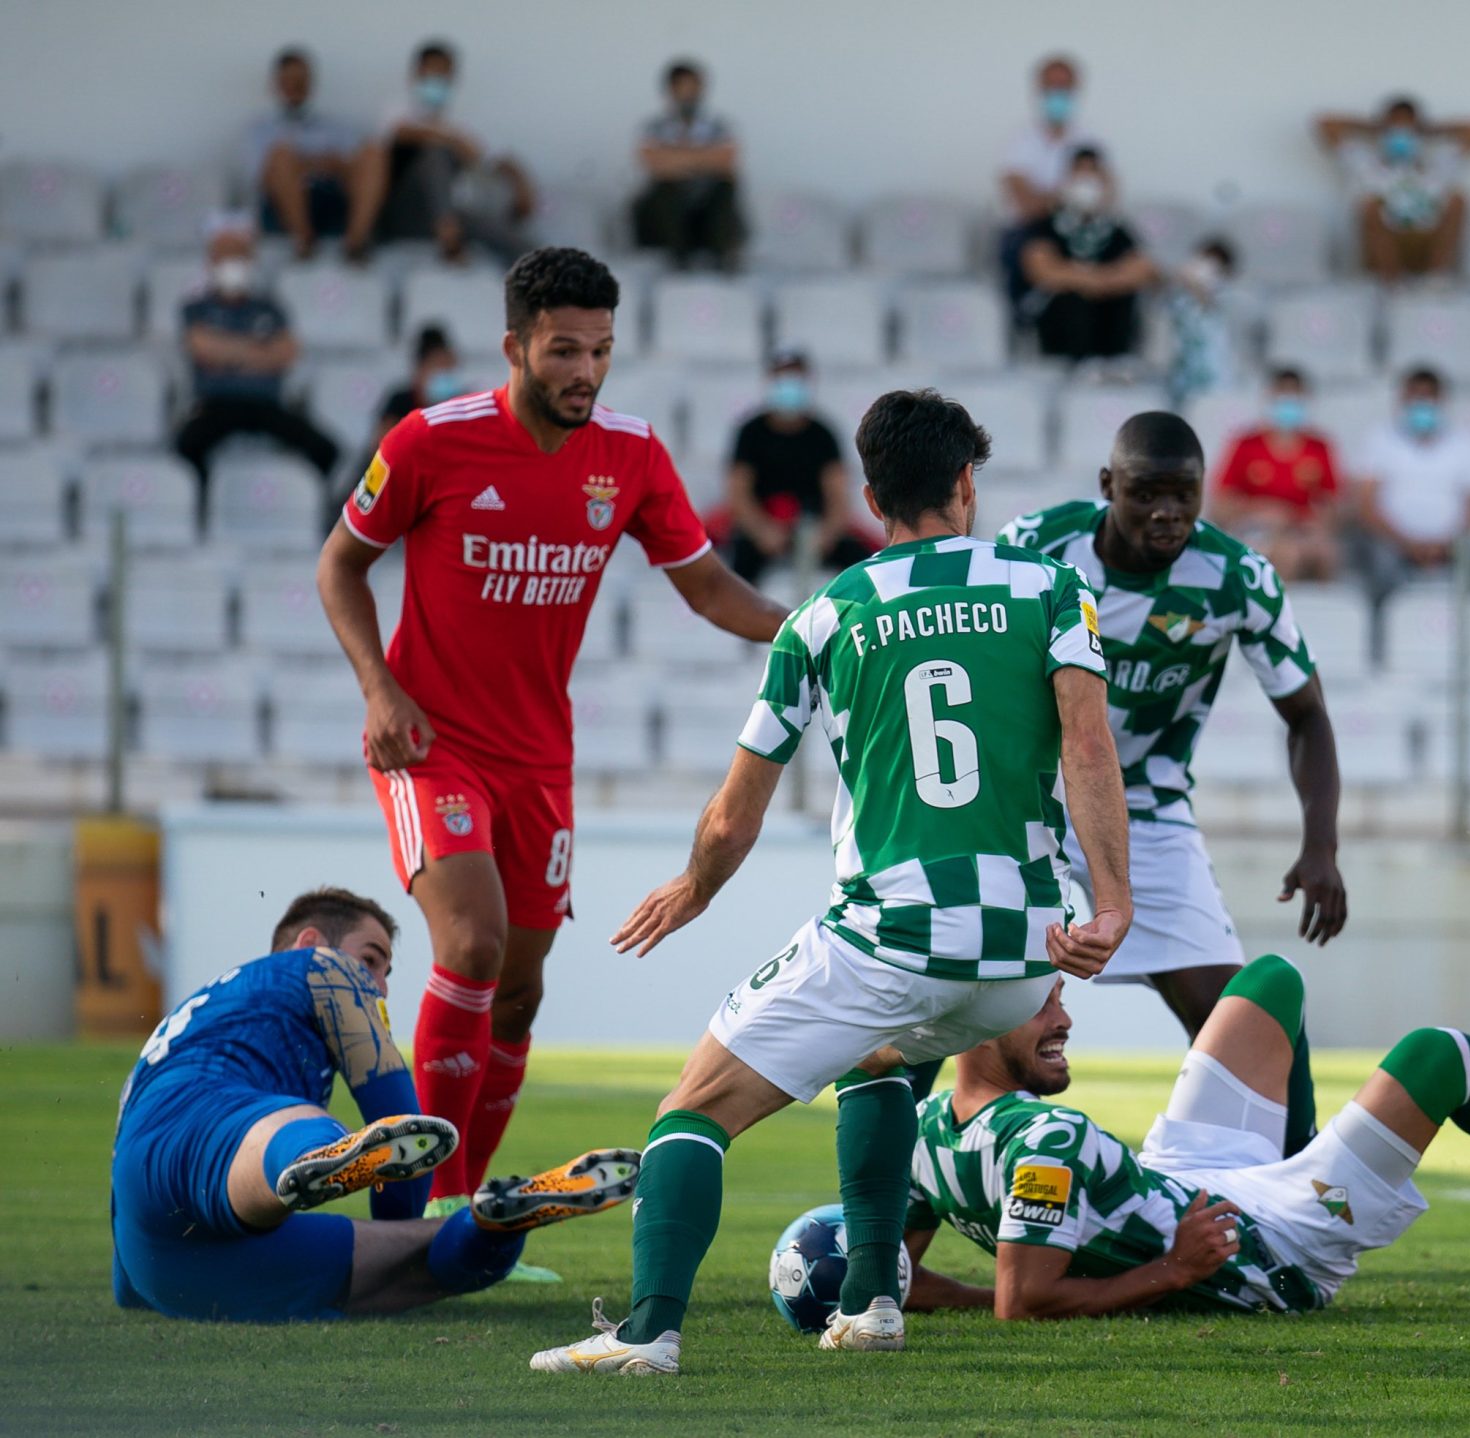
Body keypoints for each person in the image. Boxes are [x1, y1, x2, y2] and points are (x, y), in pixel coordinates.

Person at [530, 388, 1133, 1373]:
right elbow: (1089, 746)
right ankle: (873, 1298)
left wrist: (693, 888)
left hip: (892, 941)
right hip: (1026, 954)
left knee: (692, 1108)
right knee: (881, 1056)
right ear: (966, 484)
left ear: (868, 495)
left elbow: (738, 809)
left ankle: (646, 1333)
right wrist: (1111, 904)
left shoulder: (824, 612)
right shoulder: (1048, 587)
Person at [315, 248, 786, 1252]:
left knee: (519, 996)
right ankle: (419, 1215)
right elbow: (340, 564)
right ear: (515, 347)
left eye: (602, 351)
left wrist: (816, 630)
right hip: (430, 743)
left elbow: (709, 588)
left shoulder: (630, 454)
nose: (585, 370)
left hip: (540, 761)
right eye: (564, 349)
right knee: (473, 947)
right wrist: (379, 687)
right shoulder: (431, 441)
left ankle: (469, 1211)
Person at [900, 956, 1470, 1318]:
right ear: (978, 1023)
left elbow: (906, 1280)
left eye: (1059, 998)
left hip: (1175, 1180)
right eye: (1042, 1005)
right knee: (1439, 1055)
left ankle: (1303, 1158)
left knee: (1269, 983)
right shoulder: (1045, 1134)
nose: (1064, 1019)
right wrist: (1169, 1272)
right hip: (1256, 1240)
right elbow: (1023, 1304)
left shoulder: (921, 1133)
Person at [110, 886, 639, 1323]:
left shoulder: (178, 1020)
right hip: (212, 1131)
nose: (380, 987)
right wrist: (396, 1209)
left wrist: (134, 1280)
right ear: (310, 941)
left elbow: (124, 1283)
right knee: (290, 1129)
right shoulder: (321, 966)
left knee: (428, 1262)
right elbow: (401, 1116)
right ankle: (317, 1155)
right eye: (372, 960)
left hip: (165, 1263)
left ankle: (500, 1220)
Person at [999, 411, 1347, 1055]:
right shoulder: (1034, 547)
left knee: (1246, 1033)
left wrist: (1320, 843)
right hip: (1027, 798)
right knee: (952, 997)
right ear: (1109, 485)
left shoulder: (1237, 577)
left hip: (1144, 811)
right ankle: (915, 1147)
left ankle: (1280, 1157)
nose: (1167, 512)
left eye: (1182, 494)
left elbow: (1308, 715)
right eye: (1146, 493)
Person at [173, 217, 342, 510]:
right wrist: (259, 352)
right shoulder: (196, 307)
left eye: (239, 254)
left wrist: (226, 353)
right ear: (211, 261)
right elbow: (200, 347)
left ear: (251, 259)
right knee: (186, 447)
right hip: (217, 403)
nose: (232, 263)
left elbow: (287, 352)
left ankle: (310, 512)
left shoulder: (270, 308)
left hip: (266, 404)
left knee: (325, 449)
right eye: (225, 255)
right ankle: (205, 512)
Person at [343, 40, 535, 264]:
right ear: (416, 74)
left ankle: (543, 284)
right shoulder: (397, 108)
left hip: (436, 215)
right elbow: (399, 133)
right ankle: (448, 236)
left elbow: (494, 158)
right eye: (432, 71)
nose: (438, 78)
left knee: (508, 237)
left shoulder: (461, 121)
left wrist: (521, 184)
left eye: (444, 72)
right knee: (435, 154)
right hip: (394, 213)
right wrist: (450, 139)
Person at [1346, 368, 1470, 636]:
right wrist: (1406, 543)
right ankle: (1381, 644)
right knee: (1378, 572)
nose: (1421, 405)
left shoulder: (1466, 445)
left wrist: (1446, 544)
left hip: (1450, 545)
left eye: (1428, 397)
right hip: (1393, 544)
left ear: (1441, 401)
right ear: (1402, 401)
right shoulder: (1380, 441)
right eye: (1414, 397)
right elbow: (1366, 506)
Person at [722, 350, 877, 587]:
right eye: (783, 378)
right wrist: (761, 530)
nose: (789, 387)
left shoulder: (822, 434)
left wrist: (827, 533)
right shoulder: (750, 432)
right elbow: (738, 492)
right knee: (738, 573)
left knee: (862, 565)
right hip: (764, 527)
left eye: (795, 378)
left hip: (813, 528)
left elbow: (837, 494)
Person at [1315, 96, 1470, 283]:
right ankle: (1392, 286)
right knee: (1368, 206)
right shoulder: (1366, 167)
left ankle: (1435, 280)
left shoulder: (1438, 168)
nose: (1401, 135)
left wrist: (1427, 130)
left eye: (1408, 130)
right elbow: (1326, 124)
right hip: (1382, 251)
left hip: (1425, 244)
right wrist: (1377, 127)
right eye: (1395, 130)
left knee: (1458, 200)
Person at [1020, 146, 1153, 365]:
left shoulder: (1115, 229)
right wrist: (1091, 281)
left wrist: (1093, 280)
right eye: (1079, 173)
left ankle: (1118, 366)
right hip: (1064, 327)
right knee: (1072, 299)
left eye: (1093, 173)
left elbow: (1142, 268)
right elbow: (1040, 269)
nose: (1087, 180)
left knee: (1124, 297)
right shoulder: (1047, 225)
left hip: (1109, 321)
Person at [1210, 368, 1342, 582]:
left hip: (1301, 530)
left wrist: (1311, 522)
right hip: (1255, 527)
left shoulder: (1319, 447)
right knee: (1284, 553)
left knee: (1325, 553)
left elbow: (1332, 505)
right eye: (1282, 396)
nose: (1288, 404)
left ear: (1306, 400)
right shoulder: (1246, 444)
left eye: (1295, 396)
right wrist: (1260, 510)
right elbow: (1221, 505)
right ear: (1269, 398)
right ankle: (1274, 612)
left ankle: (1321, 610)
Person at [998, 54, 1099, 311]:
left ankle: (1092, 284)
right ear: (1039, 89)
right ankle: (1096, 282)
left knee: (1136, 259)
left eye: (1064, 87)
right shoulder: (1020, 141)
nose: (1058, 93)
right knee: (1040, 258)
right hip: (1033, 231)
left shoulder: (1090, 140)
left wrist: (1058, 197)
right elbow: (1026, 206)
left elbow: (1103, 199)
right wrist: (1068, 193)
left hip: (1080, 230)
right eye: (1051, 86)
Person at [247, 47, 366, 259]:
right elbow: (263, 179)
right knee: (281, 156)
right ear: (277, 83)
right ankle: (304, 240)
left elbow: (354, 171)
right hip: (282, 210)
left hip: (331, 201)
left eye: (301, 79)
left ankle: (355, 244)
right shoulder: (260, 129)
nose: (296, 85)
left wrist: (302, 164)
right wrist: (319, 163)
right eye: (289, 79)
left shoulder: (336, 127)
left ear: (311, 82)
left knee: (373, 151)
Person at [631, 59, 745, 272]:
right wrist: (703, 158)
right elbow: (653, 164)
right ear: (671, 90)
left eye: (694, 87)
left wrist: (675, 157)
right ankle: (679, 263)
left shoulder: (719, 125)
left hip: (706, 213)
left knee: (726, 186)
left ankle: (723, 262)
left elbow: (727, 161)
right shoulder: (654, 126)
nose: (689, 93)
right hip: (667, 219)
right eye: (683, 87)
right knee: (664, 187)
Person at [366, 324, 466, 465]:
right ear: (420, 369)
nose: (445, 373)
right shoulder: (399, 402)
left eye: (449, 367)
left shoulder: (462, 406)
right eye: (439, 366)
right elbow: (382, 450)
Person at [1166, 237, 1238, 409]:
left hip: (1220, 384)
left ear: (1226, 272)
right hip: (1180, 385)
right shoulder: (1179, 300)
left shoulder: (1236, 299)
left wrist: (1196, 287)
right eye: (1201, 264)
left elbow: (1213, 307)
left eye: (1212, 268)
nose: (1204, 272)